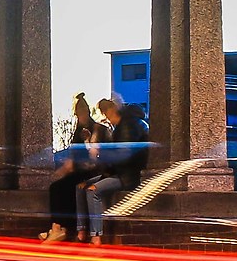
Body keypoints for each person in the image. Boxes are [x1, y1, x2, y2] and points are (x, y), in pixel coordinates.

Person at [79, 94, 153, 243]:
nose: (106, 117)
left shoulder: (127, 126)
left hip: (127, 175)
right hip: (117, 172)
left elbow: (122, 156)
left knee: (92, 191)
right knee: (79, 187)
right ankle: (81, 229)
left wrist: (102, 153)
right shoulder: (120, 127)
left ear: (114, 110)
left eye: (107, 112)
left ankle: (96, 235)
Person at [39, 93, 106, 243]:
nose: (78, 116)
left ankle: (59, 228)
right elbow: (74, 156)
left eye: (80, 113)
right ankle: (57, 227)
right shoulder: (78, 131)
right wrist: (65, 169)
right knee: (57, 187)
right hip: (81, 171)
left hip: (92, 172)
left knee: (60, 188)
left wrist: (67, 169)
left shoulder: (96, 129)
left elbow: (95, 156)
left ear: (86, 112)